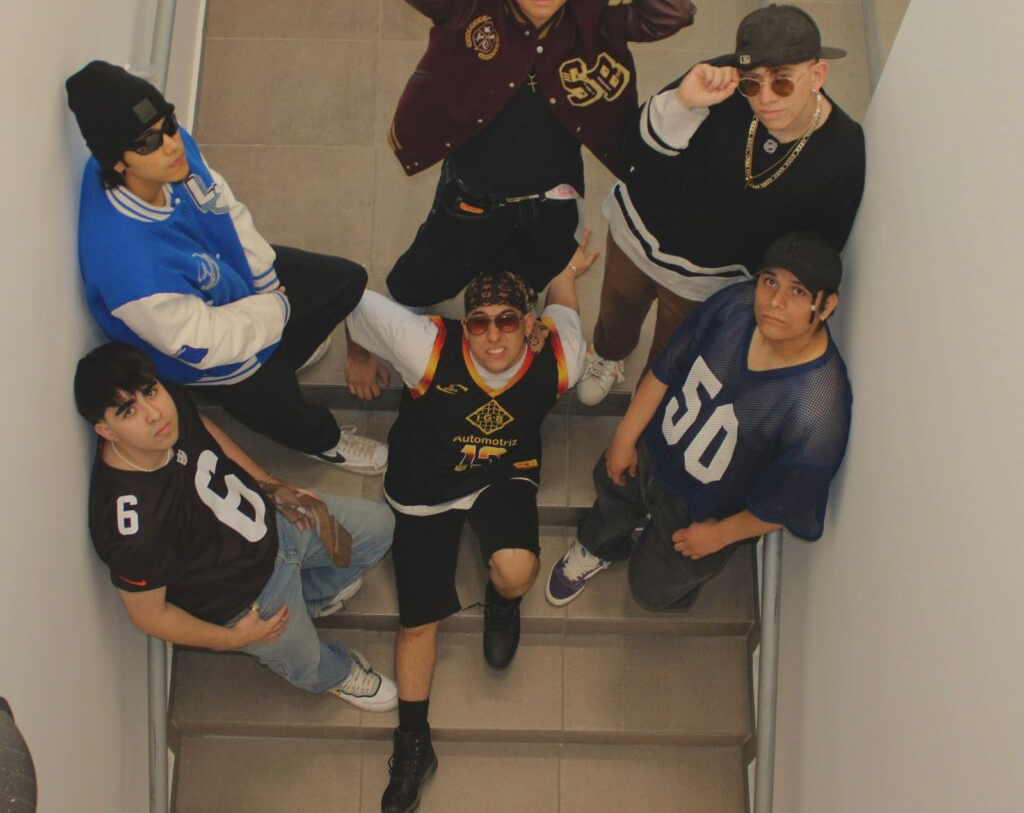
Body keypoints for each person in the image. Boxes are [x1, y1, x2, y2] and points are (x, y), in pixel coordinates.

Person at [346, 240, 595, 813]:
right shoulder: (426, 346)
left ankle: (501, 603)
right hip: (423, 486)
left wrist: (564, 271)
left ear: (528, 324)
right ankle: (414, 743)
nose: (493, 335)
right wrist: (358, 354)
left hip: (502, 472)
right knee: (417, 625)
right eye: (479, 322)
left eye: (508, 320)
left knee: (517, 570)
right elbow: (354, 302)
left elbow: (565, 308)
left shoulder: (561, 358)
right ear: (465, 326)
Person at [379, 0, 693, 304]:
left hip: (552, 199)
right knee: (424, 279)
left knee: (526, 281)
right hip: (472, 193)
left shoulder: (596, 9)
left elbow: (673, 9)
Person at [67, 60, 386, 472]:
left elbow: (224, 205)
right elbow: (207, 342)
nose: (171, 144)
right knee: (281, 406)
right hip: (211, 353)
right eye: (148, 142)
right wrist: (275, 309)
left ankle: (281, 352)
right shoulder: (130, 270)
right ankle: (324, 442)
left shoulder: (169, 152)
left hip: (230, 277)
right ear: (116, 162)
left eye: (169, 124)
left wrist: (266, 284)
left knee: (345, 281)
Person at [75, 342, 397, 709]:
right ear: (106, 431)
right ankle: (336, 674)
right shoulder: (131, 528)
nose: (153, 414)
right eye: (128, 411)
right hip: (247, 599)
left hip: (272, 524)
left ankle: (312, 596)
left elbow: (203, 427)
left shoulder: (165, 411)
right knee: (306, 661)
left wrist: (271, 485)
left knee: (379, 527)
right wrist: (232, 639)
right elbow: (150, 617)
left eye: (150, 392)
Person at [576, 4, 865, 405]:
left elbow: (820, 243)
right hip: (638, 233)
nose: (765, 98)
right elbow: (635, 151)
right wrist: (683, 103)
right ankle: (607, 356)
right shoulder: (718, 85)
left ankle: (646, 410)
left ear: (817, 75)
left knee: (673, 349)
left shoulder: (843, 148)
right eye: (752, 83)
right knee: (617, 311)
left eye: (782, 82)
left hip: (709, 277)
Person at [548, 232, 852, 613]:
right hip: (658, 446)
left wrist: (720, 535)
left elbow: (787, 503)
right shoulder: (736, 304)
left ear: (826, 305)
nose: (774, 301)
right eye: (770, 281)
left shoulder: (818, 408)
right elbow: (667, 367)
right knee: (613, 495)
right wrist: (625, 435)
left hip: (710, 507)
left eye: (798, 291)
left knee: (651, 590)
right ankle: (599, 548)